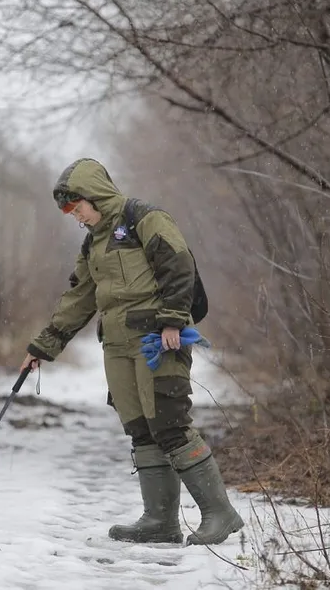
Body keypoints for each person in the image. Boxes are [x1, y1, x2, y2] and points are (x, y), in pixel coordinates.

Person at [20, 158, 244, 546]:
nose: (76, 218)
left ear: (94, 196)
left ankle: (219, 513)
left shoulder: (144, 218)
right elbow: (79, 296)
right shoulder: (93, 243)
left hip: (158, 340)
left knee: (169, 423)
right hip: (117, 345)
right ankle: (160, 521)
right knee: (140, 429)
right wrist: (44, 345)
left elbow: (179, 265)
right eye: (70, 212)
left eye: (78, 208)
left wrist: (173, 319)